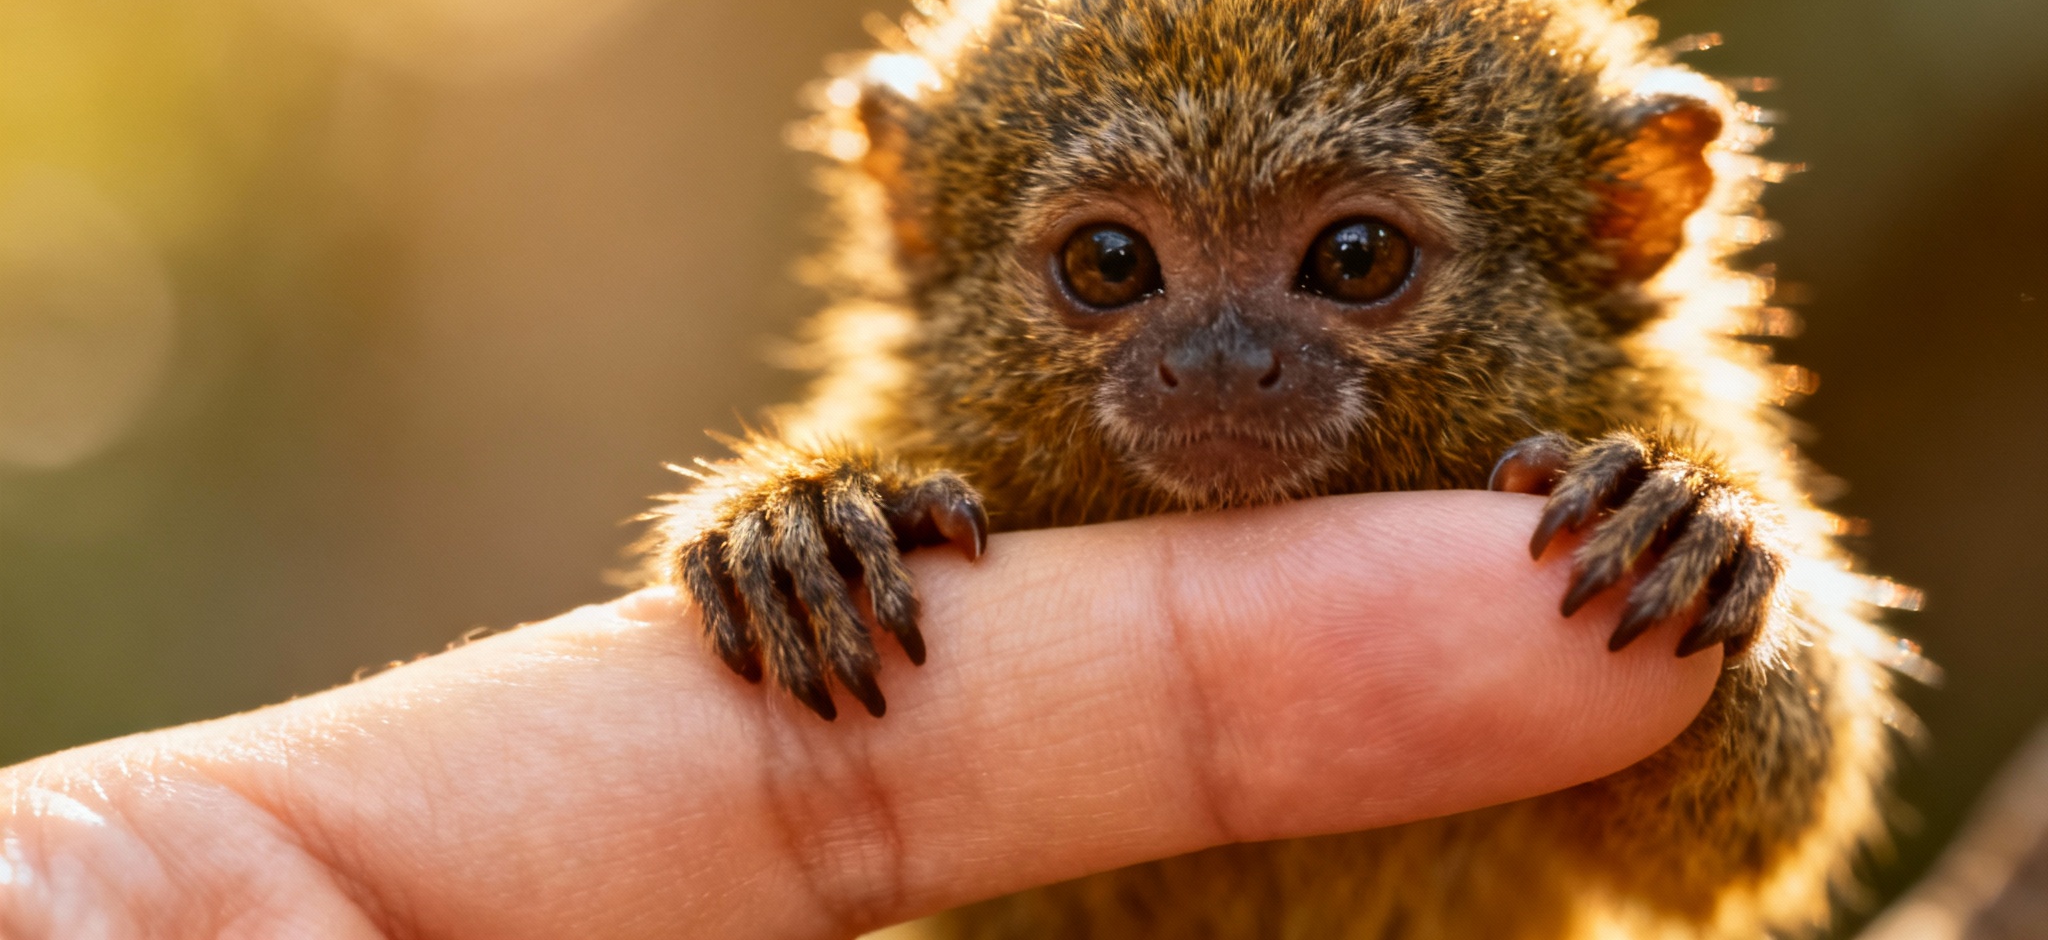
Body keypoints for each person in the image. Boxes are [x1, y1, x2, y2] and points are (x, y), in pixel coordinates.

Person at [0, 491, 1716, 939]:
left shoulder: (1631, 506)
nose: (1220, 358)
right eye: (1109, 265)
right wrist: (786, 539)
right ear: (923, 224)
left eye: (1356, 258)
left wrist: (1714, 598)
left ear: (1629, 222)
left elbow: (1728, 864)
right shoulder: (927, 484)